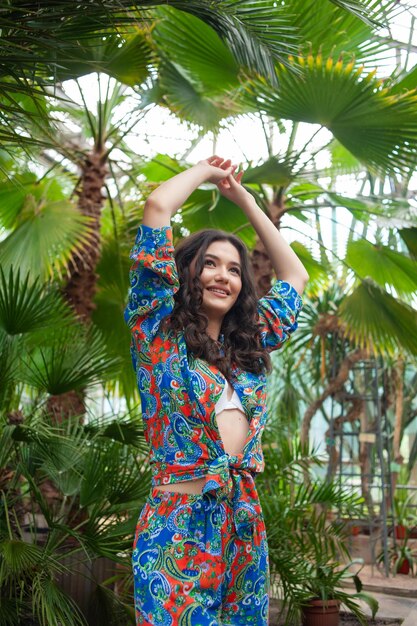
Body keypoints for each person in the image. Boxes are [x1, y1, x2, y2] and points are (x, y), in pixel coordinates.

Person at [124, 155, 309, 626]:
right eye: (209, 264)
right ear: (187, 272)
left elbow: (295, 277)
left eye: (233, 269)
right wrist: (208, 173)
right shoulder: (157, 333)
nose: (222, 276)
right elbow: (157, 207)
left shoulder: (246, 345)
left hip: (243, 525)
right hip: (177, 527)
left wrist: (244, 199)